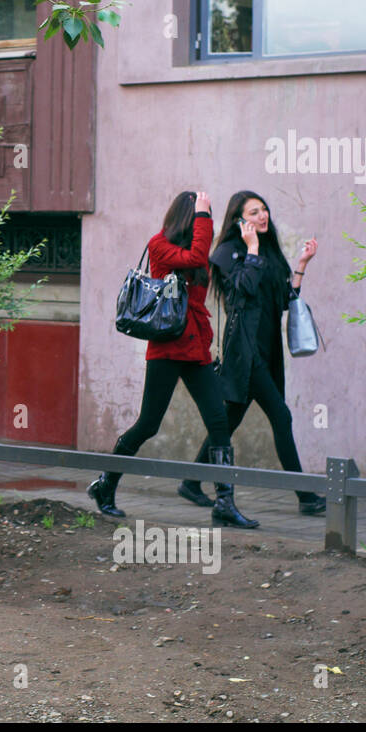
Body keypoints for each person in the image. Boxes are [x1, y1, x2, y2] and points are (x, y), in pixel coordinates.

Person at [88, 190, 257, 528]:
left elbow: (200, 262)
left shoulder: (193, 250)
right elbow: (196, 255)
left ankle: (224, 502)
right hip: (166, 348)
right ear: (189, 216)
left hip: (195, 350)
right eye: (197, 214)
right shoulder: (159, 246)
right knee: (148, 424)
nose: (203, 219)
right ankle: (106, 484)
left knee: (219, 422)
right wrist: (205, 214)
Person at [176, 190, 325, 515]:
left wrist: (300, 265)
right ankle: (307, 498)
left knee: (228, 421)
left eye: (264, 210)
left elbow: (284, 299)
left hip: (268, 348)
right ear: (240, 221)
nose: (263, 216)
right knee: (282, 417)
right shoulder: (226, 254)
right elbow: (241, 294)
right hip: (245, 353)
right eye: (254, 212)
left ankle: (190, 481)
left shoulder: (270, 251)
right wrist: (252, 250)